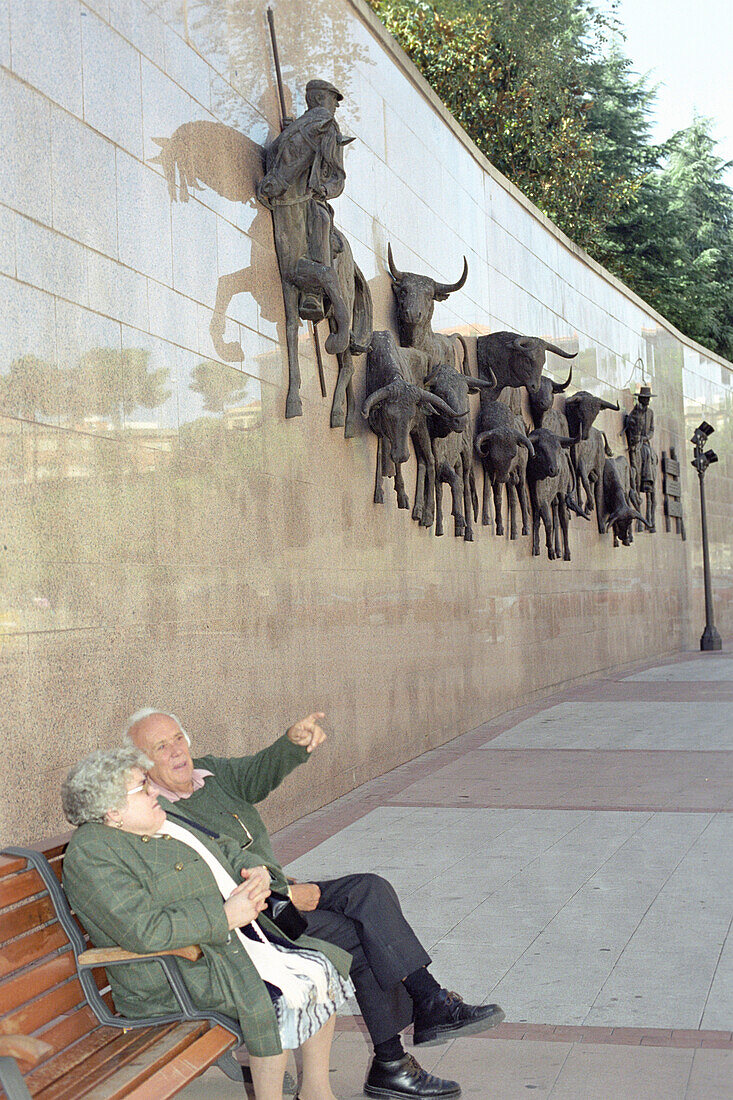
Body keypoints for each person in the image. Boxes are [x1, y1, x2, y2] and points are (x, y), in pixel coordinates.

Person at [126, 708, 506, 1099]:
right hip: (253, 916)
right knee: (358, 934)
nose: (176, 750)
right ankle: (396, 1055)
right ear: (140, 765)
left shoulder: (210, 773)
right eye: (161, 746)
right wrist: (283, 892)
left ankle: (427, 1003)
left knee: (370, 890)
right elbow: (212, 870)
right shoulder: (157, 813)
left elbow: (258, 772)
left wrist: (292, 744)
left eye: (178, 738)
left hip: (277, 895)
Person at [61, 746, 354, 1100]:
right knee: (280, 992)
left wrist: (255, 868)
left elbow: (222, 845)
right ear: (111, 810)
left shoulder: (159, 815)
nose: (155, 790)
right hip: (175, 973)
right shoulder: (93, 853)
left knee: (320, 965)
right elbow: (143, 929)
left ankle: (317, 1092)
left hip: (225, 944)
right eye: (142, 786)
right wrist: (225, 916)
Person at [256, 78, 352, 322]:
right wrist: (288, 133)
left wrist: (324, 189)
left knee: (320, 220)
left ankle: (313, 293)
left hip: (315, 196)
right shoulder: (302, 125)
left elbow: (338, 178)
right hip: (285, 194)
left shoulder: (330, 129)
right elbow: (274, 154)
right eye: (333, 100)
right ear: (320, 98)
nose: (335, 107)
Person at [624, 384, 657, 531]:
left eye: (648, 399)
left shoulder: (650, 413)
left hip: (645, 442)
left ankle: (647, 478)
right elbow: (630, 423)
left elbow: (651, 430)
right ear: (641, 399)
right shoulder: (636, 411)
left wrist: (645, 438)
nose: (647, 401)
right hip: (635, 442)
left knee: (647, 453)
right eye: (646, 398)